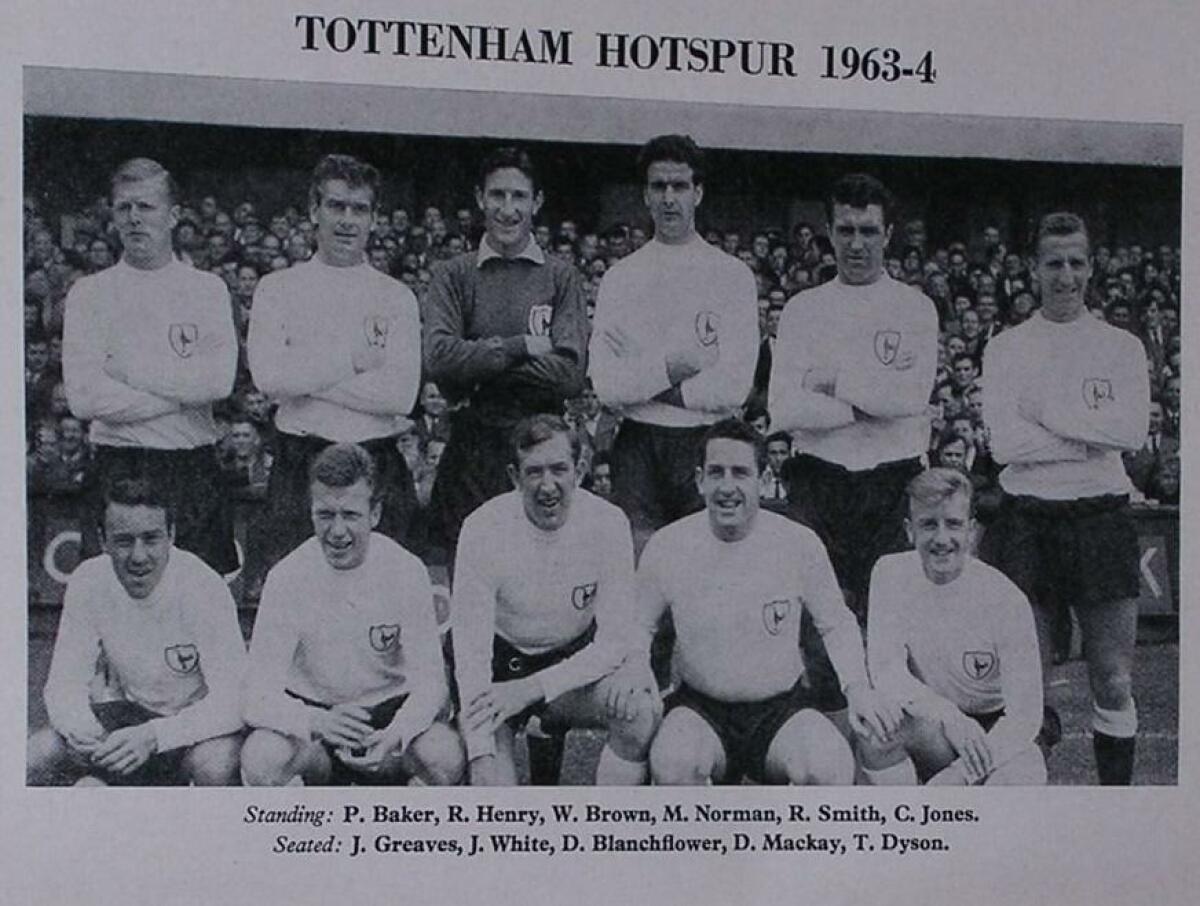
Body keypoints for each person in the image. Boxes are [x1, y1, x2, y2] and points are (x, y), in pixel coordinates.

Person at [635, 419, 901, 785]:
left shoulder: (798, 543)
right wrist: (636, 669)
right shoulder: (669, 544)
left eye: (740, 473)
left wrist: (857, 688)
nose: (727, 487)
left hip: (780, 710)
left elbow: (836, 623)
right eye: (716, 473)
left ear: (762, 480)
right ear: (700, 480)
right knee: (675, 764)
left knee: (828, 767)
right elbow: (639, 624)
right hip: (700, 709)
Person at [980, 212, 1150, 784]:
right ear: (1034, 269)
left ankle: (1114, 812)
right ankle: (1033, 816)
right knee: (1026, 687)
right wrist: (1089, 437)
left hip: (1100, 517)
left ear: (1092, 267)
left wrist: (1048, 415)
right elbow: (1006, 445)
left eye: (1076, 262)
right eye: (1054, 263)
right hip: (1026, 520)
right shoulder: (1006, 348)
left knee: (1114, 682)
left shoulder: (1121, 347)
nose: (1066, 275)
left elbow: (1131, 432)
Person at [452, 416, 657, 785]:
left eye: (559, 469)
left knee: (639, 712)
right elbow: (471, 655)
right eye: (534, 472)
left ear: (580, 470)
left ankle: (612, 821)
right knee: (491, 789)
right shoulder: (482, 528)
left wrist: (531, 689)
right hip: (499, 673)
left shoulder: (608, 522)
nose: (548, 486)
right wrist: (480, 752)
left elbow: (614, 642)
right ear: (514, 477)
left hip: (573, 666)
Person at [768, 173, 938, 621]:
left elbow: (911, 399)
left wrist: (831, 381)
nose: (856, 244)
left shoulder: (915, 308)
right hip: (818, 480)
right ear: (829, 231)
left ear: (888, 234)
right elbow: (784, 408)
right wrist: (874, 399)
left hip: (894, 482)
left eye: (868, 231)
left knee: (893, 622)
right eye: (845, 230)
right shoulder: (803, 310)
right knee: (819, 625)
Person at [241, 444, 463, 786]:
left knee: (443, 754)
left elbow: (432, 684)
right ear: (311, 512)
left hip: (388, 717)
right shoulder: (287, 576)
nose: (337, 531)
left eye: (350, 515)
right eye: (325, 515)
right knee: (262, 756)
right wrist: (315, 721)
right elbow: (255, 694)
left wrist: (397, 733)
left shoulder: (405, 570)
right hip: (317, 724)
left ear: (374, 513)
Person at [63, 158, 238, 573]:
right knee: (114, 596)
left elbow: (218, 382)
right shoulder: (89, 293)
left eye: (146, 206)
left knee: (200, 596)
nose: (134, 218)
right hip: (117, 464)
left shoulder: (207, 290)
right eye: (124, 207)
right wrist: (179, 397)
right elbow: (84, 399)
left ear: (173, 215)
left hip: (191, 465)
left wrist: (127, 373)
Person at [248, 154, 422, 566]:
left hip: (375, 460)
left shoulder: (396, 297)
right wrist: (352, 363)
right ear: (314, 210)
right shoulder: (277, 288)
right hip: (299, 464)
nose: (347, 220)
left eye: (359, 209)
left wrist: (305, 379)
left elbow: (400, 396)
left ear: (374, 218)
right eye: (336, 206)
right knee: (295, 586)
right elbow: (269, 378)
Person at [589, 134, 758, 554]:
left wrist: (644, 372)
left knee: (705, 563)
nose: (669, 198)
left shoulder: (731, 276)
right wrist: (672, 368)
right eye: (659, 186)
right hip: (638, 444)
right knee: (639, 562)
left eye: (679, 186)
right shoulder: (621, 278)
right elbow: (607, 387)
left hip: (706, 439)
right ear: (645, 195)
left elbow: (733, 388)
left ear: (697, 193)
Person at [423, 147, 587, 559]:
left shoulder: (561, 276)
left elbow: (569, 375)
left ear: (537, 202)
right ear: (480, 198)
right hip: (472, 448)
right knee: (471, 570)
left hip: (541, 445)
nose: (508, 209)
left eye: (519, 196)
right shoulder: (452, 274)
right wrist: (521, 346)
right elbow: (439, 358)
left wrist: (477, 361)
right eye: (497, 195)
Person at [28, 477, 245, 785]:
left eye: (151, 539)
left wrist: (155, 736)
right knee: (39, 752)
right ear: (103, 541)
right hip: (131, 719)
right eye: (124, 541)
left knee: (216, 765)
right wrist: (84, 729)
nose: (138, 556)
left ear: (171, 536)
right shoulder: (89, 580)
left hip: (195, 728)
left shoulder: (203, 586)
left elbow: (235, 701)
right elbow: (64, 683)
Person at [859, 469, 1045, 785]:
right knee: (877, 730)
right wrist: (948, 717)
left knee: (1021, 777)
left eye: (953, 524)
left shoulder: (1005, 598)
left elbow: (1025, 716)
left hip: (995, 726)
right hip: (935, 719)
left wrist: (958, 776)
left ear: (971, 531)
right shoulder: (889, 573)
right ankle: (905, 816)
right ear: (909, 530)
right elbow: (886, 670)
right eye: (929, 524)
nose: (942, 539)